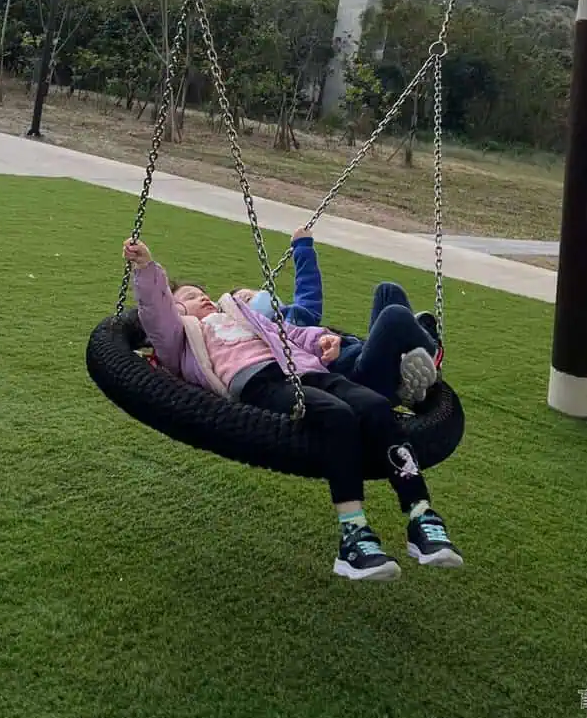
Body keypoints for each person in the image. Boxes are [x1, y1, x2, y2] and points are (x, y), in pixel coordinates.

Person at [124, 234, 463, 580]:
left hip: (305, 370)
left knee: (375, 406)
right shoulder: (182, 337)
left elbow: (288, 333)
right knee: (338, 417)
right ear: (178, 309)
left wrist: (321, 339)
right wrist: (148, 268)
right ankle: (354, 535)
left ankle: (421, 517)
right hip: (259, 381)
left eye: (204, 293)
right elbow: (157, 314)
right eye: (192, 298)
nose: (204, 299)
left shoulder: (243, 316)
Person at [236, 229, 442, 407]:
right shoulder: (274, 334)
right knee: (394, 315)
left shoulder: (294, 315)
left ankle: (410, 360)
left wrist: (303, 246)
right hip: (357, 377)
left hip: (363, 354)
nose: (251, 297)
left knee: (388, 291)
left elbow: (308, 289)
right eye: (244, 301)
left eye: (250, 294)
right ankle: (431, 352)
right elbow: (307, 289)